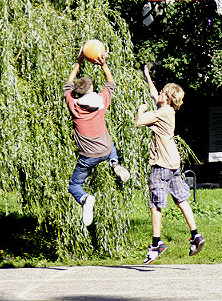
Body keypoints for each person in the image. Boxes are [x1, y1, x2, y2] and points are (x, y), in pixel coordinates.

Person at [136, 64, 205, 264]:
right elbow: (153, 93)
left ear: (167, 97)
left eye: (163, 92)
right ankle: (196, 235)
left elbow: (139, 122)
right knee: (181, 199)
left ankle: (156, 244)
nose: (158, 93)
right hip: (173, 163)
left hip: (161, 164)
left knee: (155, 204)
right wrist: (148, 75)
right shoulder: (167, 111)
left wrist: (141, 110)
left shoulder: (160, 114)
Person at [64, 45, 130, 227]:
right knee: (109, 143)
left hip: (88, 156)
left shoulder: (74, 105)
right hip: (105, 149)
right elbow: (110, 84)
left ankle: (85, 199)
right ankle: (115, 164)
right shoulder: (101, 101)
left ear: (77, 93)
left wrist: (79, 62)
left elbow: (68, 85)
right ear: (92, 88)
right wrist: (104, 65)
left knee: (73, 186)